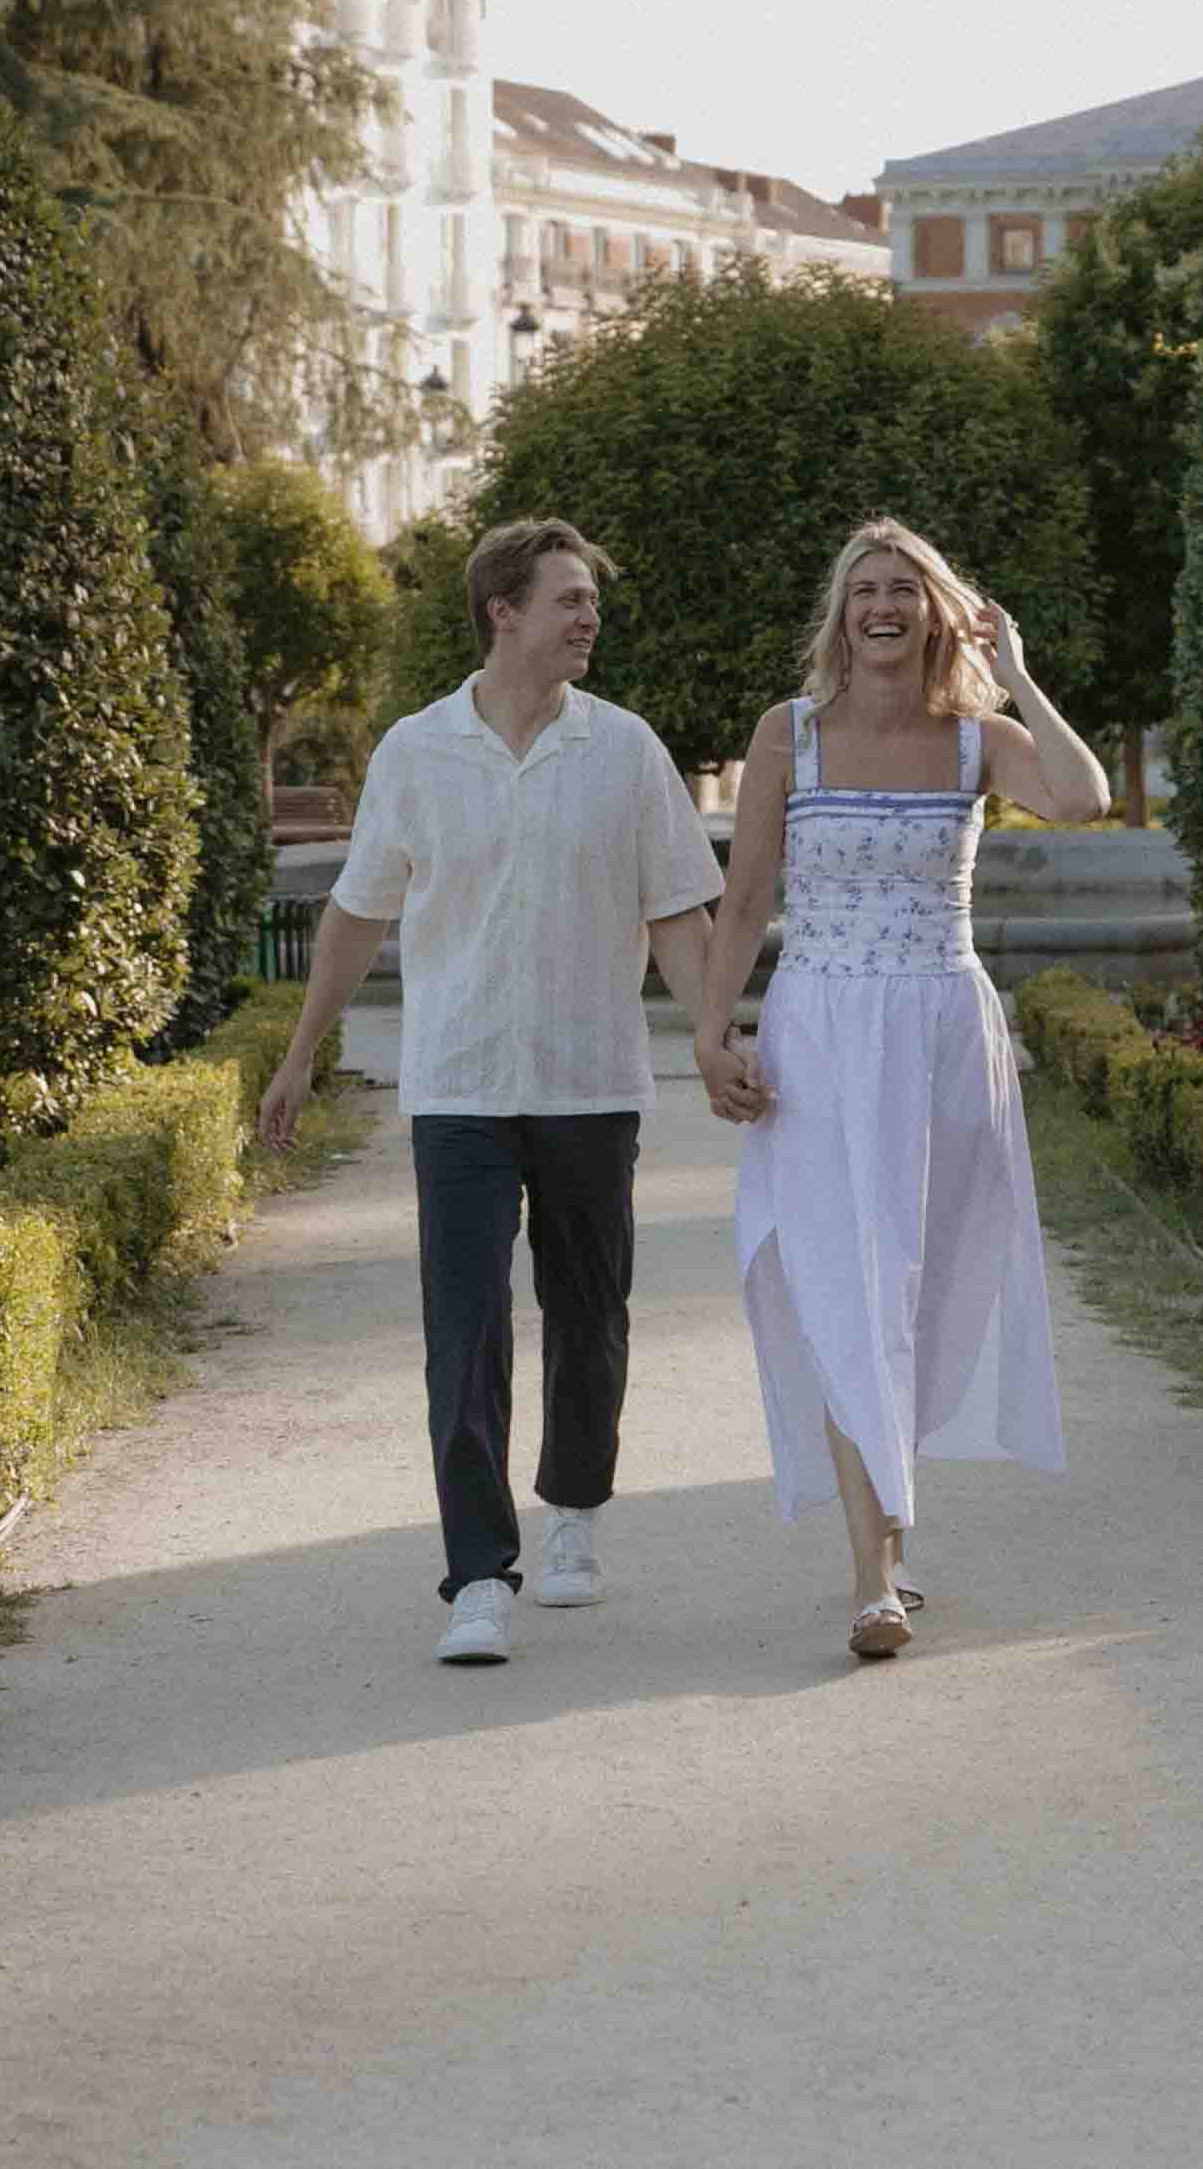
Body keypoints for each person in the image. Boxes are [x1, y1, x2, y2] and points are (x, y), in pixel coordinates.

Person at [256, 519, 746, 1668]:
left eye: (591, 601)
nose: (590, 619)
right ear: (503, 611)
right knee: (462, 1330)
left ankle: (573, 1508)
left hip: (589, 1079)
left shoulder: (625, 751)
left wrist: (716, 1038)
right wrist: (298, 1051)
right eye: (570, 599)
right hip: (460, 1082)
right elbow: (356, 914)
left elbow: (680, 911)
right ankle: (478, 1573)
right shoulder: (415, 752)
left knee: (590, 1314)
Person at [693, 518, 1101, 1659]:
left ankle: (893, 1527)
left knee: (923, 1285)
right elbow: (744, 899)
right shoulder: (790, 736)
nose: (884, 606)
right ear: (840, 614)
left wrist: (1014, 669)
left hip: (940, 1029)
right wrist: (712, 1034)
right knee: (841, 1279)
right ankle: (871, 1578)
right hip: (819, 1029)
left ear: (936, 612)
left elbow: (1081, 797)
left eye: (905, 591)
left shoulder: (980, 736)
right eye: (865, 589)